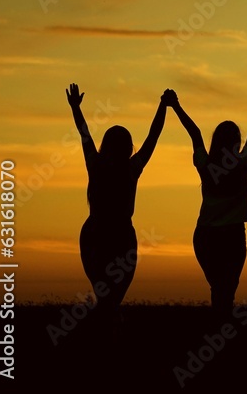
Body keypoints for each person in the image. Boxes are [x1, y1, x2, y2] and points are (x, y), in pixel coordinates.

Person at [165, 87, 247, 320]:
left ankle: (217, 329)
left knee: (219, 289)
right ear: (236, 141)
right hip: (232, 236)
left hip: (206, 236)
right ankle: (220, 330)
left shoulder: (206, 163)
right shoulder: (242, 161)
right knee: (226, 291)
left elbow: (194, 132)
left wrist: (175, 106)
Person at [66, 83, 168, 330]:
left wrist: (76, 108)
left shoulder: (96, 164)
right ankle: (109, 332)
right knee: (111, 299)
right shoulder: (131, 168)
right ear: (127, 146)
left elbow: (84, 134)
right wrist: (163, 106)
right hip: (118, 235)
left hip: (96, 234)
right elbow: (153, 137)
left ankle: (104, 332)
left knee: (106, 298)